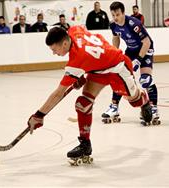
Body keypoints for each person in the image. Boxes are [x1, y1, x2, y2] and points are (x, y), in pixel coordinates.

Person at [27, 26, 152, 163]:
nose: (54, 53)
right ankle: (85, 144)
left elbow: (58, 94)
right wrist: (84, 72)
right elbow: (90, 46)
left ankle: (144, 99)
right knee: (83, 103)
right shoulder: (74, 30)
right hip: (98, 71)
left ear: (64, 43)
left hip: (118, 69)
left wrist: (39, 115)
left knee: (135, 101)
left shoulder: (76, 61)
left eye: (54, 49)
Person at [102, 1, 160, 125]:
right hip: (131, 51)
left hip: (145, 49)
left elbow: (147, 42)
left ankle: (154, 108)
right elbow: (116, 37)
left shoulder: (134, 23)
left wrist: (138, 60)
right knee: (119, 76)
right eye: (113, 15)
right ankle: (114, 107)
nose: (115, 18)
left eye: (117, 14)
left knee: (145, 80)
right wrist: (115, 53)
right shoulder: (113, 25)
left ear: (123, 13)